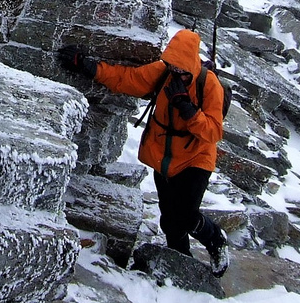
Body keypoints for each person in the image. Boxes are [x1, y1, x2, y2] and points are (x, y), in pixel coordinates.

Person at [58, 28, 231, 274]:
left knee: (185, 216)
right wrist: (88, 66)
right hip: (164, 158)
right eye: (173, 66)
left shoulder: (209, 85)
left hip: (195, 158)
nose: (176, 72)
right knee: (170, 222)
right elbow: (127, 79)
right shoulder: (164, 74)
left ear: (191, 63)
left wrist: (187, 109)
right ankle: (180, 264)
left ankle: (215, 240)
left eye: (181, 69)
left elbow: (214, 132)